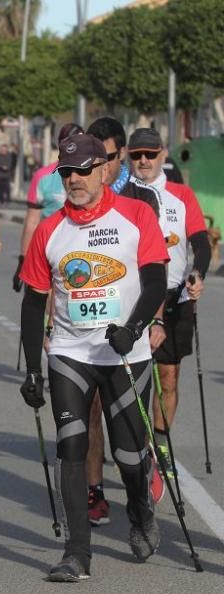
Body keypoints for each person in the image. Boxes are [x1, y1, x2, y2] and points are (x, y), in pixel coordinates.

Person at [19, 133, 168, 582]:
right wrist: (30, 369)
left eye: (84, 169)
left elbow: (156, 282)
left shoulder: (137, 215)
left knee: (127, 454)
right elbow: (32, 301)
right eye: (66, 172)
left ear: (104, 169)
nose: (75, 179)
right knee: (72, 446)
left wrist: (134, 328)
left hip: (126, 350)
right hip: (70, 351)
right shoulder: (50, 229)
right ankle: (77, 553)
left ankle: (140, 512)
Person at [80, 117, 164, 525]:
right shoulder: (76, 199)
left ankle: (139, 464)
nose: (101, 167)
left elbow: (156, 269)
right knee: (91, 406)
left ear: (120, 157)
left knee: (129, 418)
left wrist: (156, 321)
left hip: (132, 323)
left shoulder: (141, 200)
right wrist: (49, 328)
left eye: (109, 158)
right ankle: (94, 489)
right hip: (86, 326)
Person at [127, 127, 210, 487]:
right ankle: (134, 446)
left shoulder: (181, 196)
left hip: (175, 296)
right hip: (133, 299)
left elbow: (200, 244)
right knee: (133, 381)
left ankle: (159, 445)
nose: (143, 160)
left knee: (169, 377)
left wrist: (197, 272)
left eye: (150, 153)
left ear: (163, 155)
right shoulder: (121, 195)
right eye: (137, 155)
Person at [13, 123, 84, 292]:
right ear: (60, 146)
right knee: (49, 305)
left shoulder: (94, 176)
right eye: (69, 143)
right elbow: (31, 222)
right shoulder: (43, 177)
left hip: (83, 251)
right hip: (50, 250)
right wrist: (23, 260)